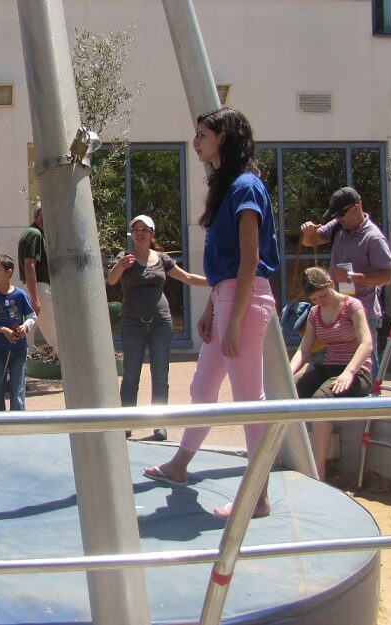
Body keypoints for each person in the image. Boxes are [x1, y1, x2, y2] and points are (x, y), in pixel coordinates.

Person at [143, 108, 279, 520]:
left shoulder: (245, 186)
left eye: (203, 134)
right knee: (203, 389)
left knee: (247, 403)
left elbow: (250, 258)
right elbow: (229, 265)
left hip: (245, 301)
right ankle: (179, 466)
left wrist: (233, 319)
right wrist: (213, 310)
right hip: (229, 298)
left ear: (225, 137)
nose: (196, 141)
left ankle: (257, 496)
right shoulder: (228, 188)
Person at [107, 215, 207, 442]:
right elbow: (111, 281)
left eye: (144, 229)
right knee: (131, 375)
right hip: (133, 324)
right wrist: (120, 266)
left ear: (152, 234)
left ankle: (159, 423)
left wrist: (217, 281)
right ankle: (126, 422)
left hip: (161, 323)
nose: (139, 233)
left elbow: (188, 277)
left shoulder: (162, 259)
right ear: (132, 234)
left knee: (160, 375)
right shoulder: (126, 258)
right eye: (135, 229)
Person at [289, 266, 374, 479]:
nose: (321, 301)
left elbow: (366, 344)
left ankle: (318, 473)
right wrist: (287, 372)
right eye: (316, 299)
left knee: (321, 400)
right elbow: (304, 349)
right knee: (290, 392)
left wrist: (349, 372)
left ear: (331, 285)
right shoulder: (315, 313)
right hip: (329, 368)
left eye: (324, 295)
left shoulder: (352, 306)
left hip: (356, 372)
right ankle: (287, 459)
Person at [299, 186, 391, 365]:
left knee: (364, 360)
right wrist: (307, 233)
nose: (337, 219)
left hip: (362, 310)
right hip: (333, 308)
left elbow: (387, 276)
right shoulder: (337, 227)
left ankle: (371, 392)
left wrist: (354, 277)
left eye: (341, 214)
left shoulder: (373, 238)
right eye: (335, 215)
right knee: (332, 360)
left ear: (357, 208)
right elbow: (310, 242)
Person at [0, 254, 36, 412]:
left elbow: (32, 316)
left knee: (18, 388)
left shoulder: (20, 295)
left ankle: (18, 423)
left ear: (9, 272)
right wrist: (1, 329)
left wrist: (25, 326)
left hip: (19, 349)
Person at [18, 202, 59, 359]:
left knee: (27, 334)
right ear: (39, 214)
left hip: (36, 287)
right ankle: (72, 374)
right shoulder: (34, 234)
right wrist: (35, 298)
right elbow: (29, 265)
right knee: (56, 336)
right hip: (39, 287)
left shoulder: (36, 233)